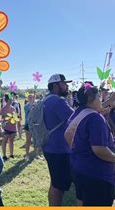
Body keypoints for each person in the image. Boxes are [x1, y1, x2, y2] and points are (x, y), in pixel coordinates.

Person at [66, 84, 115, 206]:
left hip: (79, 168)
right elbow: (99, 149)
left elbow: (67, 136)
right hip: (97, 174)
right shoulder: (95, 118)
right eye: (98, 97)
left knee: (82, 201)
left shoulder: (77, 114)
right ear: (92, 99)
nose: (100, 100)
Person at [43, 74, 75, 206]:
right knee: (58, 186)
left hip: (50, 147)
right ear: (56, 85)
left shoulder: (46, 100)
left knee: (55, 182)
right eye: (64, 83)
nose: (67, 86)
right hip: (59, 149)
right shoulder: (58, 101)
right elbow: (76, 118)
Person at [23, 94, 41, 160]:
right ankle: (27, 155)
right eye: (29, 97)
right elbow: (30, 111)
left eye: (32, 97)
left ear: (35, 98)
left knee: (36, 140)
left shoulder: (37, 105)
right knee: (28, 141)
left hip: (36, 125)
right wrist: (31, 104)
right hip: (28, 125)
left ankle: (37, 154)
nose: (31, 99)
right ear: (27, 98)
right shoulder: (26, 106)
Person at [1, 94, 17, 161]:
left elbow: (15, 117)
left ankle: (11, 154)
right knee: (4, 141)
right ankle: (4, 155)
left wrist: (15, 118)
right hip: (6, 128)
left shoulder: (13, 108)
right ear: (6, 100)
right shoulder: (3, 109)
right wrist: (3, 123)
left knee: (11, 141)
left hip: (13, 128)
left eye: (11, 100)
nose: (11, 101)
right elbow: (1, 119)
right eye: (9, 100)